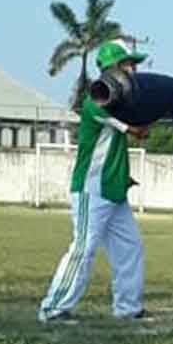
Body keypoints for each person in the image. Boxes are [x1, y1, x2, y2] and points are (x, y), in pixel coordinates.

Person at [38, 40, 150, 323]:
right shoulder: (96, 100)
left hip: (114, 192)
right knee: (83, 249)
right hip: (93, 190)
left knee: (130, 247)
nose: (133, 68)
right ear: (113, 67)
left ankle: (128, 308)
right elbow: (136, 130)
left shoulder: (118, 100)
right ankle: (53, 308)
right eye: (128, 63)